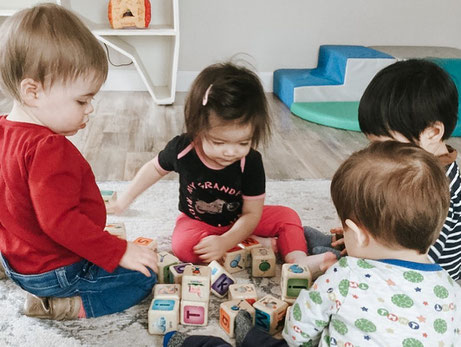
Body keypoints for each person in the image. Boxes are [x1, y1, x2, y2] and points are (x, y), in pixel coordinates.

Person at [164, 141, 461, 347]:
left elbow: (297, 332)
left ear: (356, 234)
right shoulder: (451, 288)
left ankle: (190, 341)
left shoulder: (344, 276)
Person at [0, 3, 158, 320]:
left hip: (14, 259)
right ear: (33, 91)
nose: (90, 109)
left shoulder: (4, 129)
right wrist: (119, 250)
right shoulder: (49, 148)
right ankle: (66, 306)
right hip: (56, 271)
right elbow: (61, 223)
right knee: (144, 276)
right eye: (82, 100)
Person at [108, 62, 336, 273]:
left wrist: (226, 241)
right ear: (197, 130)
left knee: (288, 215)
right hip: (198, 222)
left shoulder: (251, 162)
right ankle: (257, 243)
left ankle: (297, 259)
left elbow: (251, 213)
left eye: (243, 143)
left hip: (240, 219)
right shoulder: (183, 149)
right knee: (183, 247)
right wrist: (122, 202)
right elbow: (153, 169)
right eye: (218, 142)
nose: (231, 152)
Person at [306, 59, 461, 281]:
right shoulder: (414, 170)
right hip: (400, 249)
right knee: (339, 245)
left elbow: (417, 258)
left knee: (339, 268)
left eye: (387, 145)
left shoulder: (440, 189)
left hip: (422, 278)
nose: (379, 153)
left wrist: (366, 251)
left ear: (433, 132)